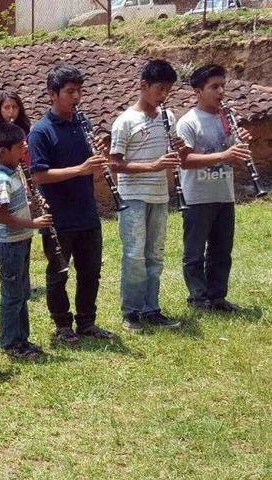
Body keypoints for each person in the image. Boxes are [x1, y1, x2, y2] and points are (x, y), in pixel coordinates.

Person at [28, 64, 115, 344]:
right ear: (52, 94)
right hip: (58, 218)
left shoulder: (83, 124)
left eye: (79, 91)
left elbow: (88, 165)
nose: (76, 97)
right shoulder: (41, 131)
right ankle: (62, 325)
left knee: (91, 271)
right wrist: (80, 169)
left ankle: (87, 321)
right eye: (69, 92)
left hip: (86, 212)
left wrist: (96, 160)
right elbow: (39, 175)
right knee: (58, 273)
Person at [109, 59, 184, 333]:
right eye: (160, 89)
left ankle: (152, 309)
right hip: (133, 197)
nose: (163, 96)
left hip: (159, 195)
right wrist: (152, 166)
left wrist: (179, 149)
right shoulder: (125, 122)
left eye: (167, 90)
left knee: (155, 254)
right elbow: (114, 163)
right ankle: (131, 312)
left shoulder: (169, 117)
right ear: (143, 85)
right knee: (134, 255)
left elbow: (175, 152)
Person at [176, 64, 254, 312]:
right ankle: (198, 299)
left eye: (223, 86)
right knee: (195, 253)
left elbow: (232, 152)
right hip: (197, 197)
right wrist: (225, 154)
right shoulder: (188, 122)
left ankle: (217, 297)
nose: (221, 91)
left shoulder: (225, 118)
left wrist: (240, 144)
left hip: (223, 194)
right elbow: (185, 161)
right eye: (214, 87)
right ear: (198, 91)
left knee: (222, 251)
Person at [0, 123, 50, 359]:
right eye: (19, 146)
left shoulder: (14, 172)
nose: (25, 148)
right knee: (12, 295)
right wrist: (34, 224)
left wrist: (34, 205)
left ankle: (22, 338)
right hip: (10, 244)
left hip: (21, 241)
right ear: (4, 151)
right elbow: (2, 215)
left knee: (22, 293)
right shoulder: (1, 178)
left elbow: (16, 206)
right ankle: (9, 342)